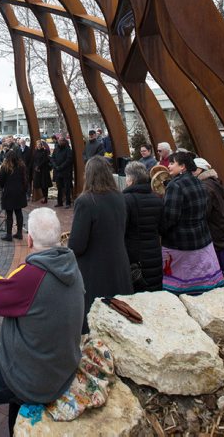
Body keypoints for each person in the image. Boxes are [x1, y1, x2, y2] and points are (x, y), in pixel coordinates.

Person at [0, 208, 84, 437]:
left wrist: (18, 270)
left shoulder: (32, 276)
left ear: (29, 239)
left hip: (35, 377)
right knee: (15, 403)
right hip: (61, 366)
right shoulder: (71, 265)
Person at [68, 156, 133, 332]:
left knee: (94, 324)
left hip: (94, 272)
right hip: (119, 266)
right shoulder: (119, 197)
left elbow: (77, 245)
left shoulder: (86, 201)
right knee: (118, 317)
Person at [161, 151, 224, 294]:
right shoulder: (198, 181)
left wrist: (160, 230)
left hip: (180, 243)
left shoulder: (175, 186)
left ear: (182, 166)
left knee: (180, 288)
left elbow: (170, 217)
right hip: (201, 239)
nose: (169, 166)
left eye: (172, 163)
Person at [193, 157, 224, 286]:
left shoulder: (205, 187)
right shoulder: (214, 182)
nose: (191, 172)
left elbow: (204, 212)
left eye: (194, 169)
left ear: (200, 169)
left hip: (216, 234)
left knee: (221, 273)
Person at [123, 161, 164, 291]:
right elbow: (162, 228)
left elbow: (122, 230)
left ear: (130, 179)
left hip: (135, 258)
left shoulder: (126, 200)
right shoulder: (157, 199)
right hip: (154, 254)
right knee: (154, 293)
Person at [0, 149, 28, 241]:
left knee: (9, 214)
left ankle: (9, 235)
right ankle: (19, 233)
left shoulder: (5, 167)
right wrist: (24, 190)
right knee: (19, 212)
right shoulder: (21, 166)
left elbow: (1, 181)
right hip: (19, 192)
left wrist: (4, 186)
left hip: (9, 192)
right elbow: (25, 179)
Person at [51, 136, 73, 208]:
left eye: (61, 141)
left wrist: (60, 167)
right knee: (59, 188)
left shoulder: (68, 149)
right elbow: (52, 158)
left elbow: (68, 160)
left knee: (67, 188)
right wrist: (55, 166)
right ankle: (59, 202)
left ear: (64, 141)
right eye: (59, 141)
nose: (59, 142)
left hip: (65, 172)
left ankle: (68, 203)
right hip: (57, 172)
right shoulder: (56, 149)